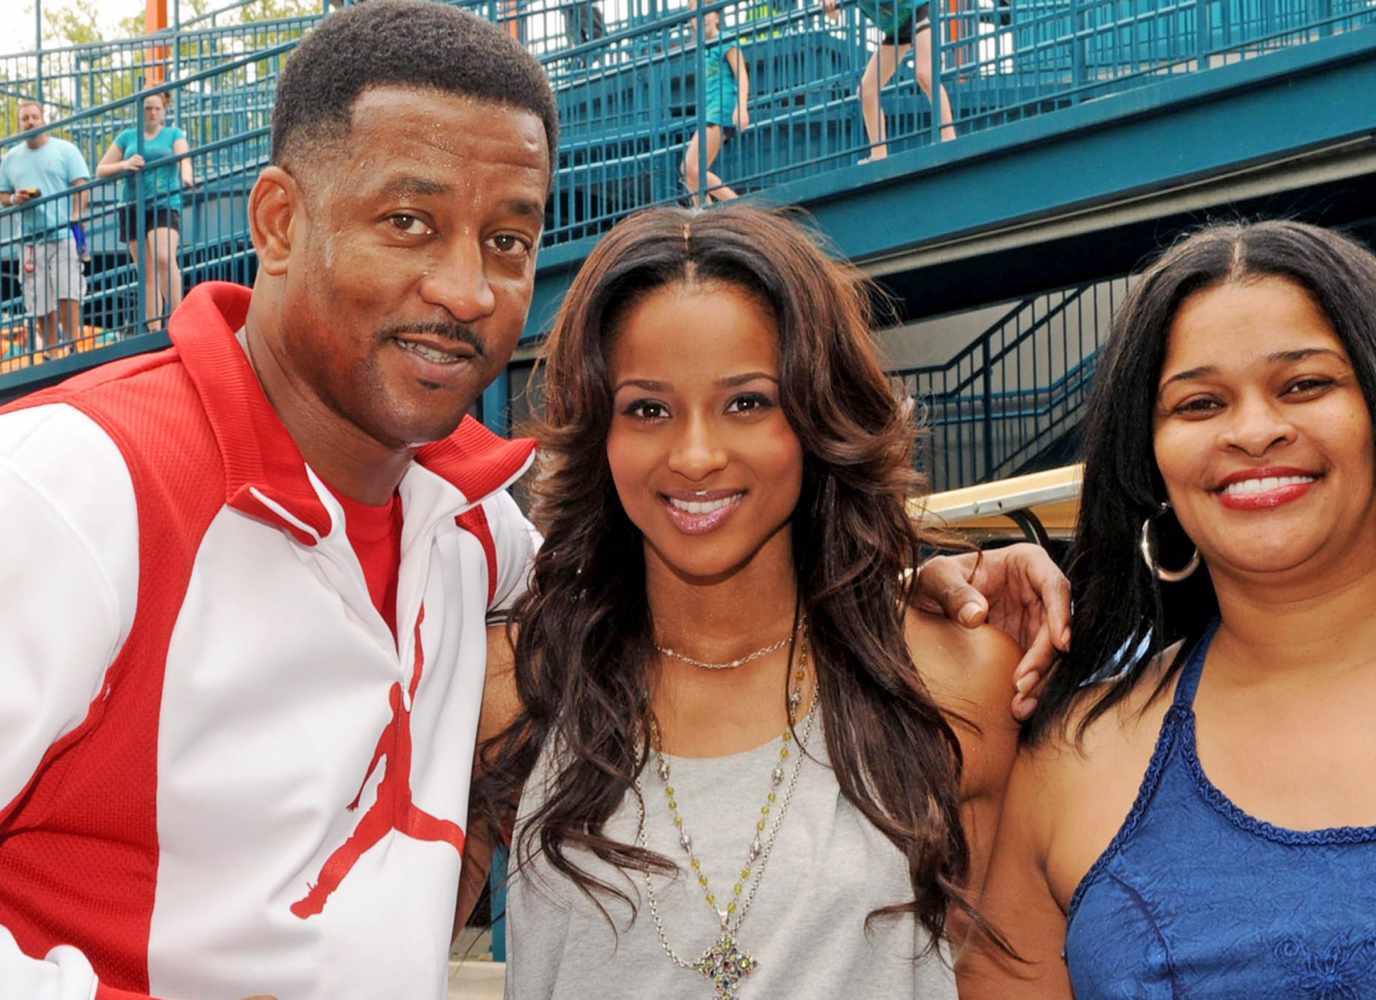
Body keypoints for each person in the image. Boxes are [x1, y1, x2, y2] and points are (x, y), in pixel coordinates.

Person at [0, 3, 1067, 998]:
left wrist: (932, 568)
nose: (467, 288)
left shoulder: (472, 533)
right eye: (410, 221)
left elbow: (705, 532)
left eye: (507, 240)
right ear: (277, 222)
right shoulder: (71, 485)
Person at [468, 205, 1023, 998]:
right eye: (648, 409)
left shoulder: (956, 677)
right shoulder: (513, 691)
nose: (696, 455)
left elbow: (1009, 974)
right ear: (602, 432)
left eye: (747, 402)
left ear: (816, 415)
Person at [985, 221, 1376, 996]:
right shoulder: (1072, 760)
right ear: (1150, 458)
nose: (1255, 431)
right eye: (1199, 403)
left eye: (1304, 385)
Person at [97, 91, 195, 331]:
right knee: (147, 270)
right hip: (132, 204)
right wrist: (125, 164)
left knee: (164, 257)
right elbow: (101, 169)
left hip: (163, 201)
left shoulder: (174, 134)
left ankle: (178, 317)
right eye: (147, 108)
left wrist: (187, 175)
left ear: (164, 110)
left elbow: (184, 157)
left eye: (156, 109)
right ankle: (154, 330)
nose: (152, 113)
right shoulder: (127, 137)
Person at [0, 99, 91, 358]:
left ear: (43, 119)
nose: (30, 122)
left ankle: (73, 346)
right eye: (25, 118)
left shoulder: (65, 150)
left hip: (62, 233)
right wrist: (15, 199)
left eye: (34, 117)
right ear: (20, 124)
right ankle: (50, 353)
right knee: (39, 300)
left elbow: (81, 185)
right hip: (30, 239)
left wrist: (76, 215)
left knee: (67, 292)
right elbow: (3, 195)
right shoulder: (11, 158)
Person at [822, 0, 956, 162]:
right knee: (867, 91)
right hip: (897, 28)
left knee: (925, 74)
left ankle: (949, 138)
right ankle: (878, 155)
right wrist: (828, 6)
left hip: (918, 11)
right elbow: (835, 15)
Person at [682, 2, 749, 206]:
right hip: (710, 112)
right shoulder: (703, 49)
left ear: (717, 16)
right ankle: (703, 211)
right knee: (691, 171)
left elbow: (742, 75)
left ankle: (736, 205)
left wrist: (742, 106)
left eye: (705, 12)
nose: (700, 18)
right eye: (695, 15)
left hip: (722, 110)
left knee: (692, 169)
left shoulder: (725, 41)